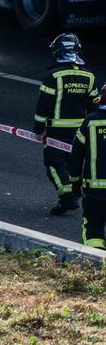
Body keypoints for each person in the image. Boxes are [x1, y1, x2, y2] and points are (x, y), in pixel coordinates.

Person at [35, 33, 98, 215]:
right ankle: (72, 196)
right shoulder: (89, 76)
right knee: (74, 164)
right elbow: (94, 105)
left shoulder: (52, 76)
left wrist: (38, 129)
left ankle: (68, 197)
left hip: (57, 130)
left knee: (53, 164)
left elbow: (43, 105)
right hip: (81, 131)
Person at [68, 83, 106, 249]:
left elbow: (76, 156)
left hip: (95, 191)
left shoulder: (90, 122)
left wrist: (75, 183)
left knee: (93, 231)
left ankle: (95, 264)